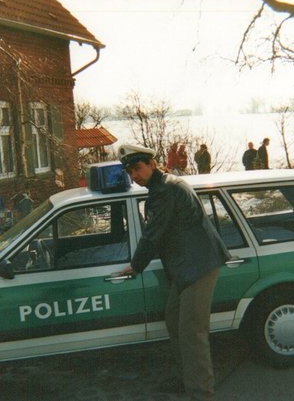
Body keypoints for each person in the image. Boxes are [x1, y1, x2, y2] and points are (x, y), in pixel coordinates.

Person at [117, 144, 231, 401]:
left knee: (192, 333)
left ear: (152, 164)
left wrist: (136, 265)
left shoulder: (165, 190)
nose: (134, 176)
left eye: (137, 168)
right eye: (130, 172)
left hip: (198, 266)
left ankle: (201, 392)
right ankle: (189, 378)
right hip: (185, 267)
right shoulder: (163, 185)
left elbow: (153, 234)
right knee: (174, 320)